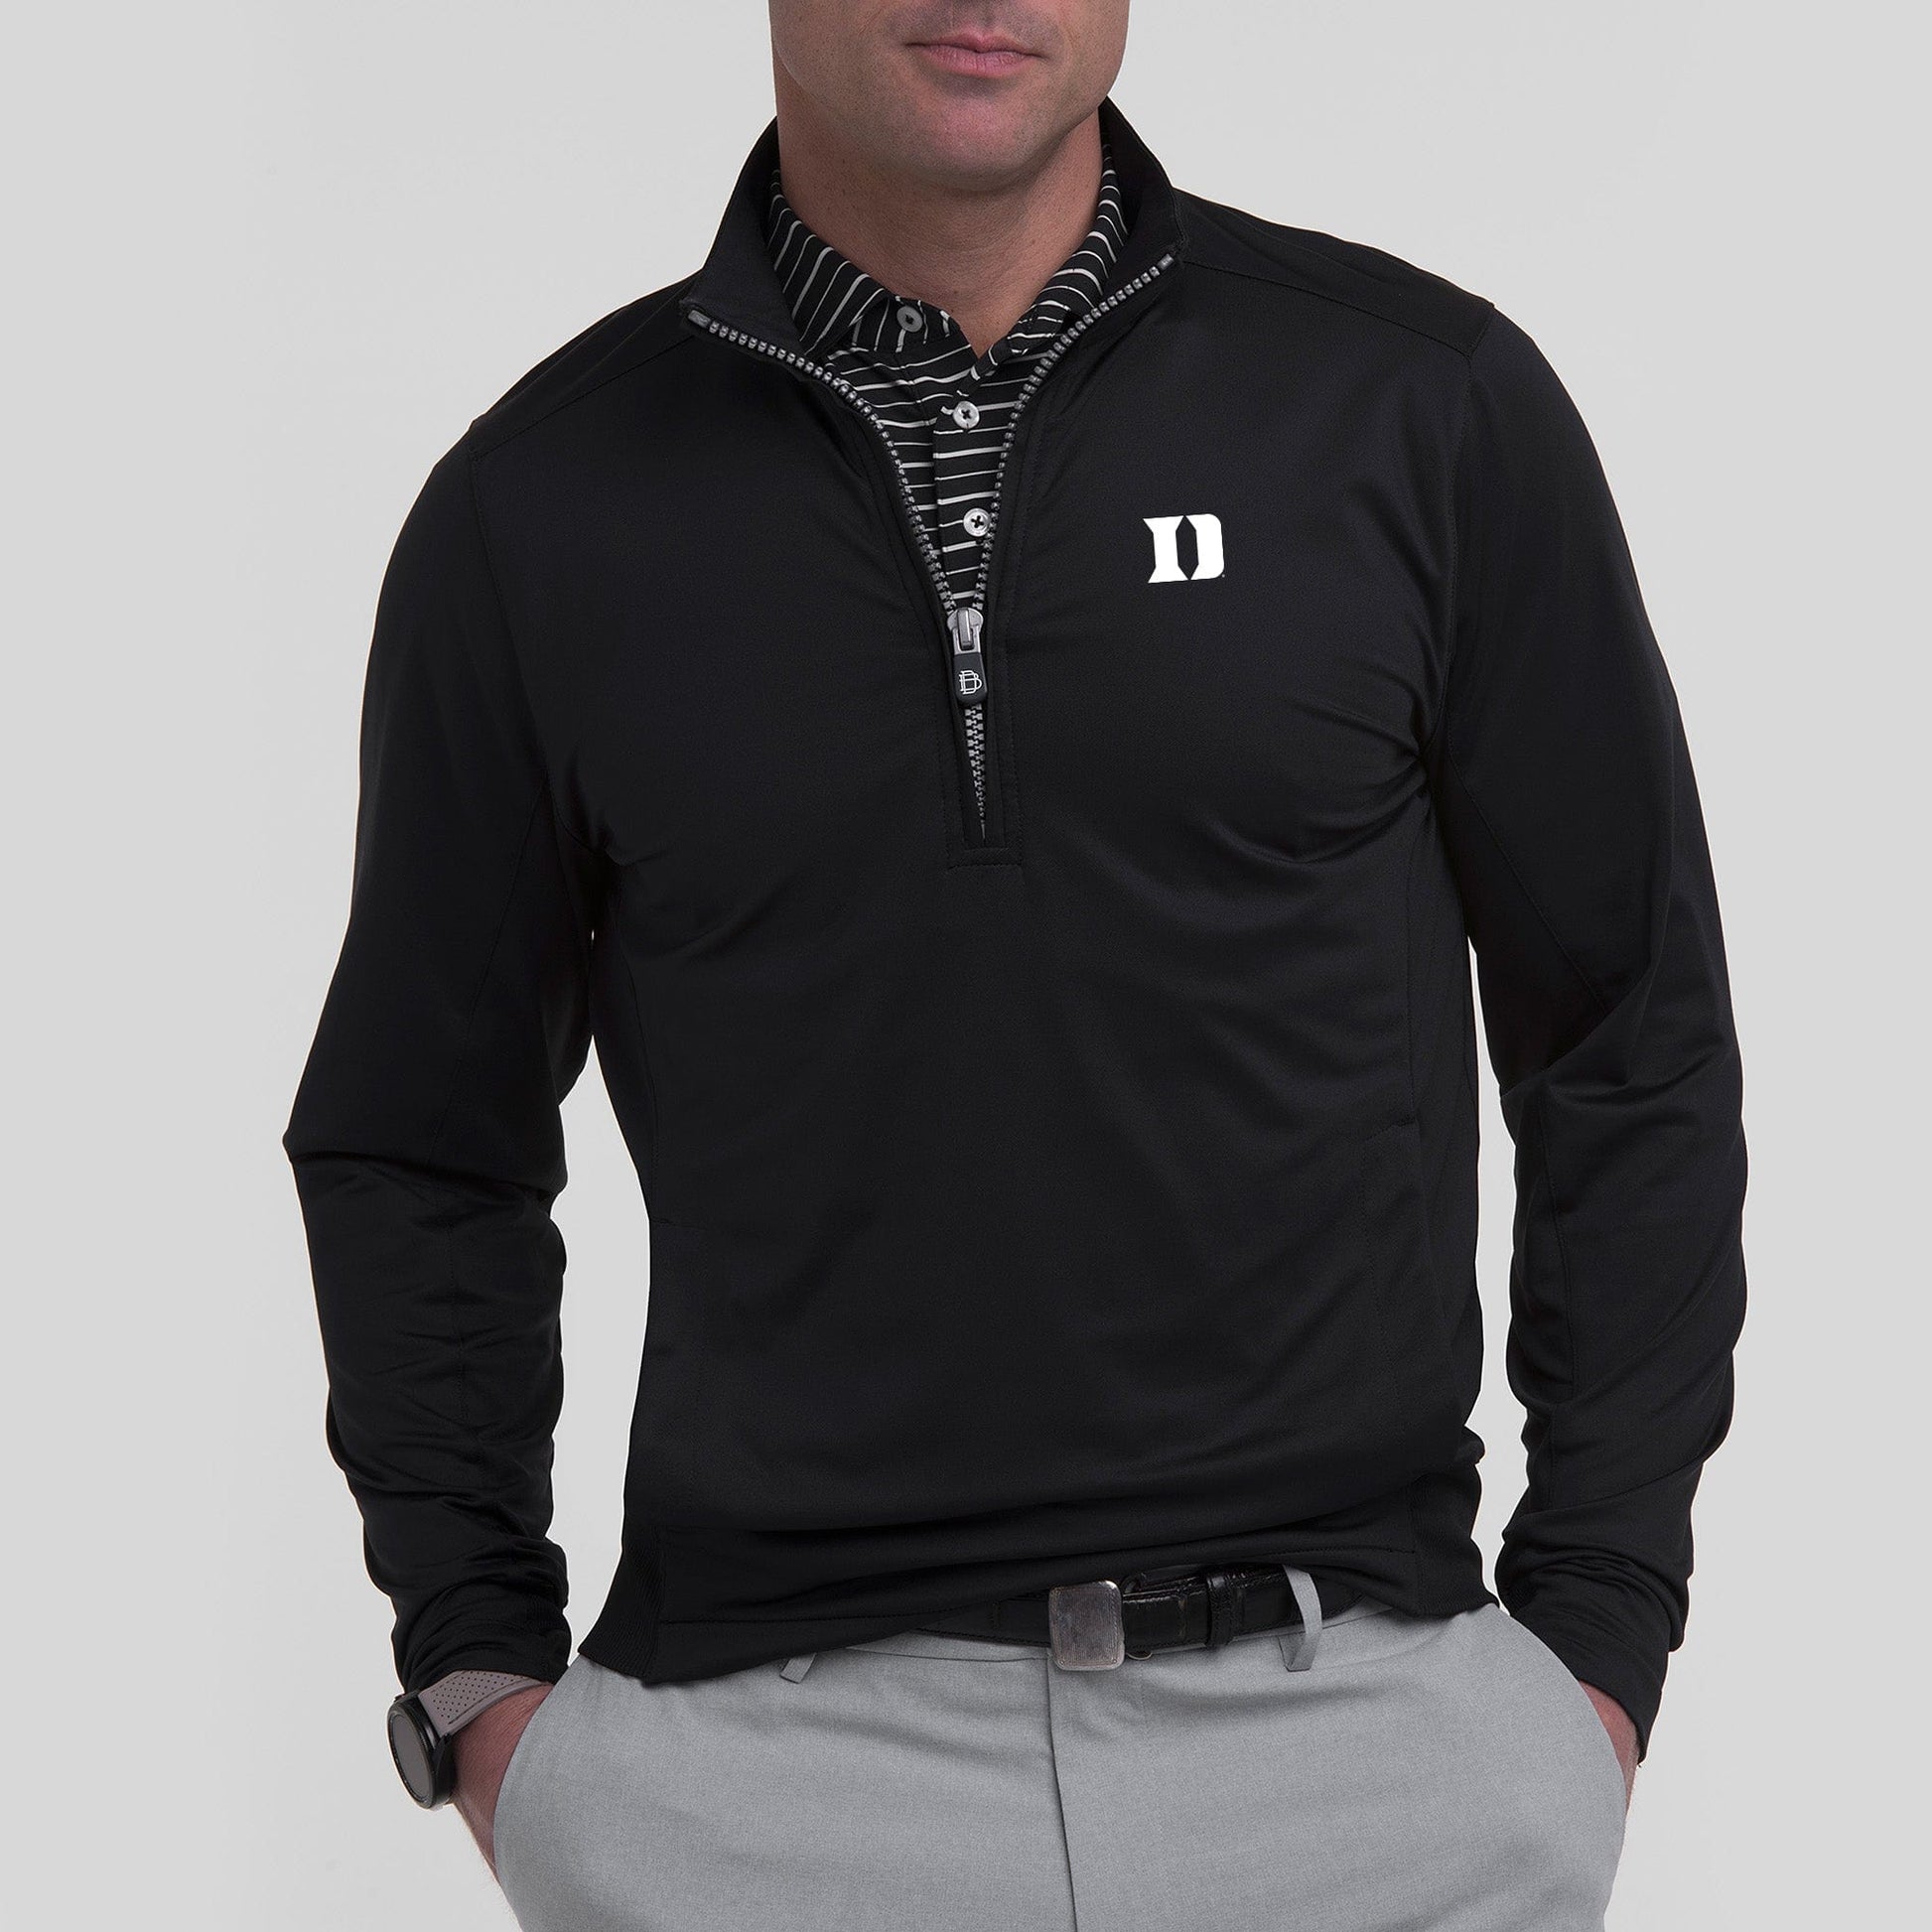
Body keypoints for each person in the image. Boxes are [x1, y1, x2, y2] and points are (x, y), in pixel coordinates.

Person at [285, 3, 1747, 1926]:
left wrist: (1595, 1637)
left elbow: (1626, 1031)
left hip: (1370, 1759)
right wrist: (479, 1673)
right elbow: (419, 1132)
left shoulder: (1415, 403)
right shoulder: (541, 504)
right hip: (760, 1788)